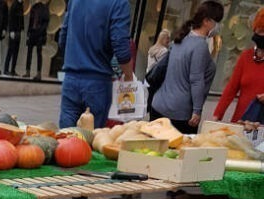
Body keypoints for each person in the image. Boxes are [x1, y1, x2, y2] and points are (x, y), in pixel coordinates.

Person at [151, 1, 224, 134]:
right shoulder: (200, 46)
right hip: (180, 113)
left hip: (159, 105)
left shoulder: (181, 38)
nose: (218, 26)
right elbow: (196, 80)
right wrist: (197, 111)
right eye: (217, 22)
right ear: (206, 21)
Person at [58, 0, 134, 128]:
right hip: (97, 80)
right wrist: (128, 75)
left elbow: (63, 39)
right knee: (91, 139)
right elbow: (121, 46)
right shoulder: (119, 3)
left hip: (71, 78)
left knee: (65, 137)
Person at [212, 7, 264, 123]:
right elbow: (231, 88)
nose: (261, 34)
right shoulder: (246, 56)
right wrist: (217, 115)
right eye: (259, 30)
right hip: (241, 121)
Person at [24, 0, 49, 81]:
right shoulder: (34, 7)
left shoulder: (45, 8)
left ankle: (39, 73)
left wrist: (40, 31)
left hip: (40, 34)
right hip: (32, 32)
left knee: (39, 53)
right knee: (29, 52)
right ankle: (27, 71)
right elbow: (30, 21)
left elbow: (45, 23)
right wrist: (28, 32)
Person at [3, 0, 24, 76]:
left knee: (16, 52)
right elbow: (11, 18)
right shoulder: (14, 5)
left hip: (18, 31)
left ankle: (13, 70)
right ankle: (6, 69)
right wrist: (11, 30)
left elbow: (21, 19)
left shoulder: (21, 5)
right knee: (10, 50)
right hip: (14, 30)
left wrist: (22, 28)